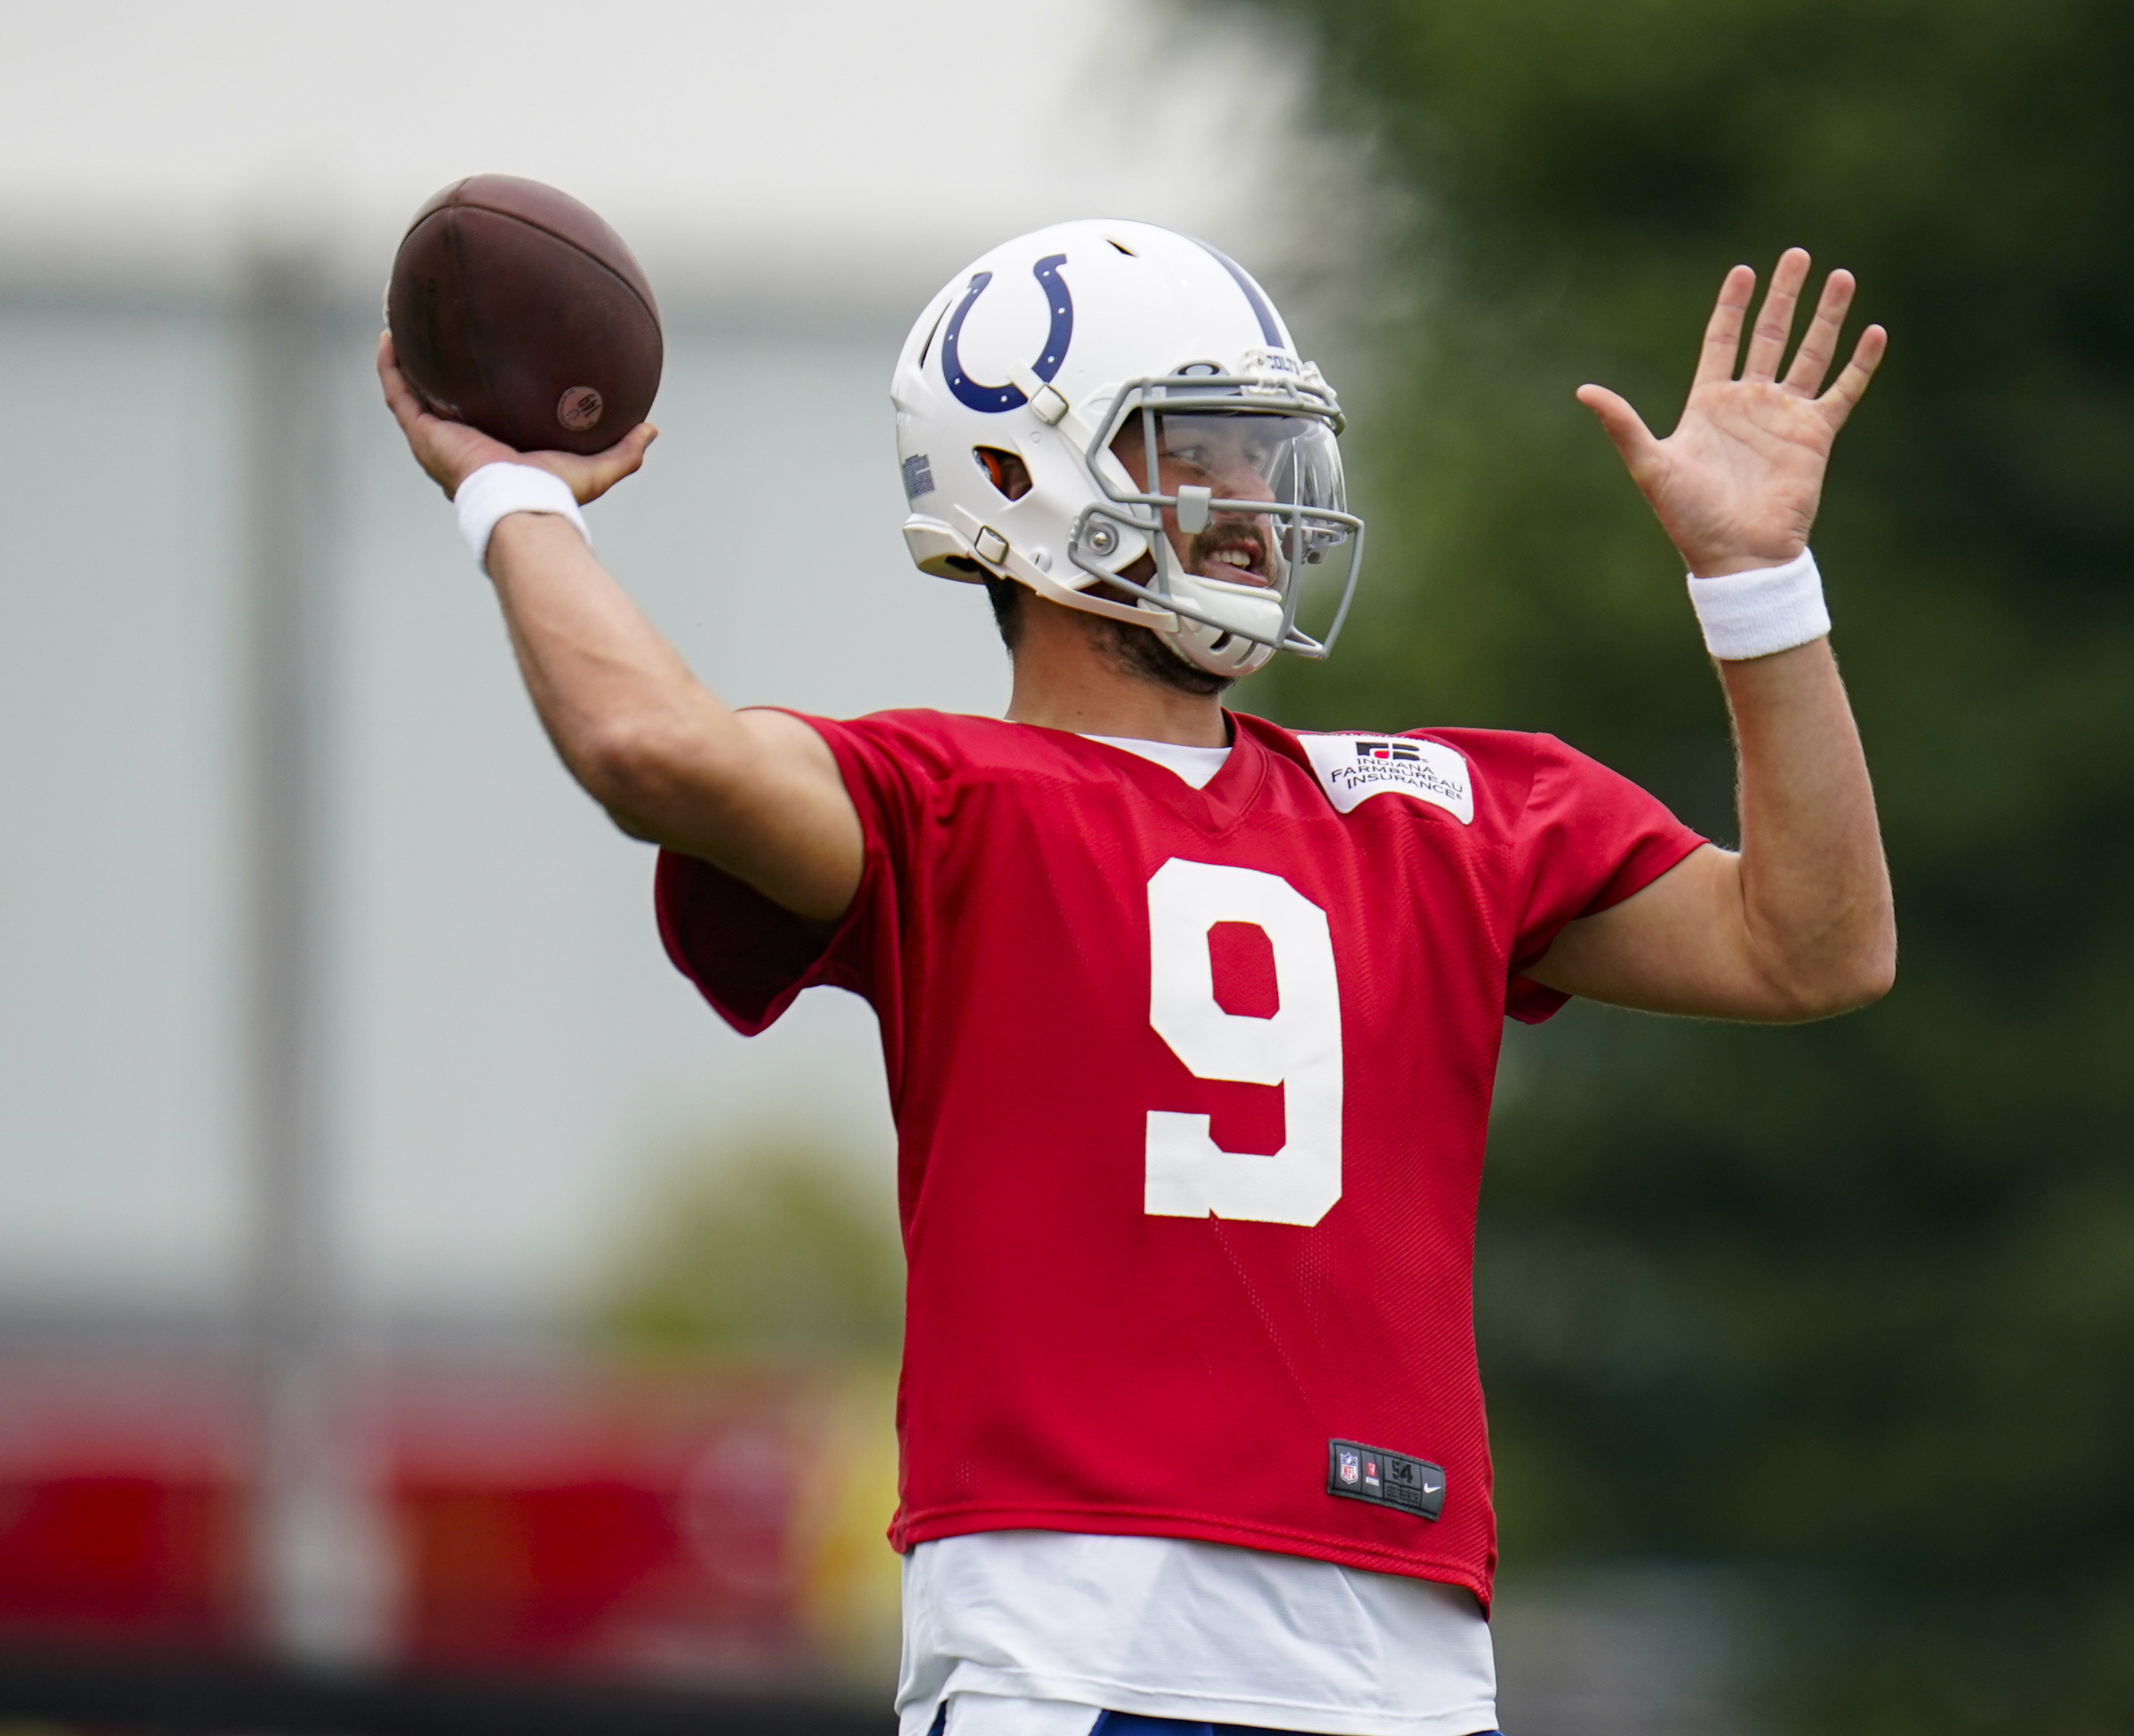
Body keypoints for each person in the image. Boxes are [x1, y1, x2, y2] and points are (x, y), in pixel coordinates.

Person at [376, 218, 1893, 1736]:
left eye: (1263, 455)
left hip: (1410, 1671)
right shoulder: (944, 795)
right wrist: (513, 497)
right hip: (1079, 1650)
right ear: (1017, 480)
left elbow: (1815, 944)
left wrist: (1758, 583)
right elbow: (651, 749)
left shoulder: (1438, 810)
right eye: (1197, 452)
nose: (1252, 506)